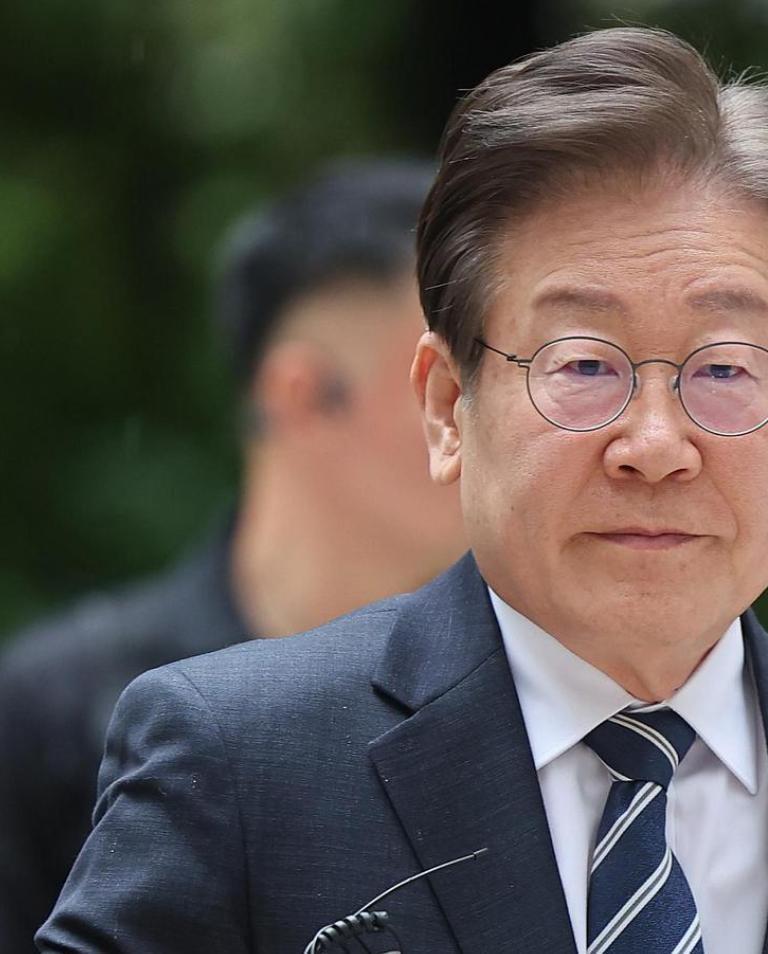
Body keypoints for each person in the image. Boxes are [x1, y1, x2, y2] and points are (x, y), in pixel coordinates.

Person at [38, 29, 768, 954]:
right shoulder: (239, 760)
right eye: (583, 365)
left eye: (725, 370)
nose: (655, 446)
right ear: (447, 406)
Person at [0, 159, 466, 952]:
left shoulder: (537, 705)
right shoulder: (56, 717)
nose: (498, 415)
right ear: (302, 395)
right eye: (448, 379)